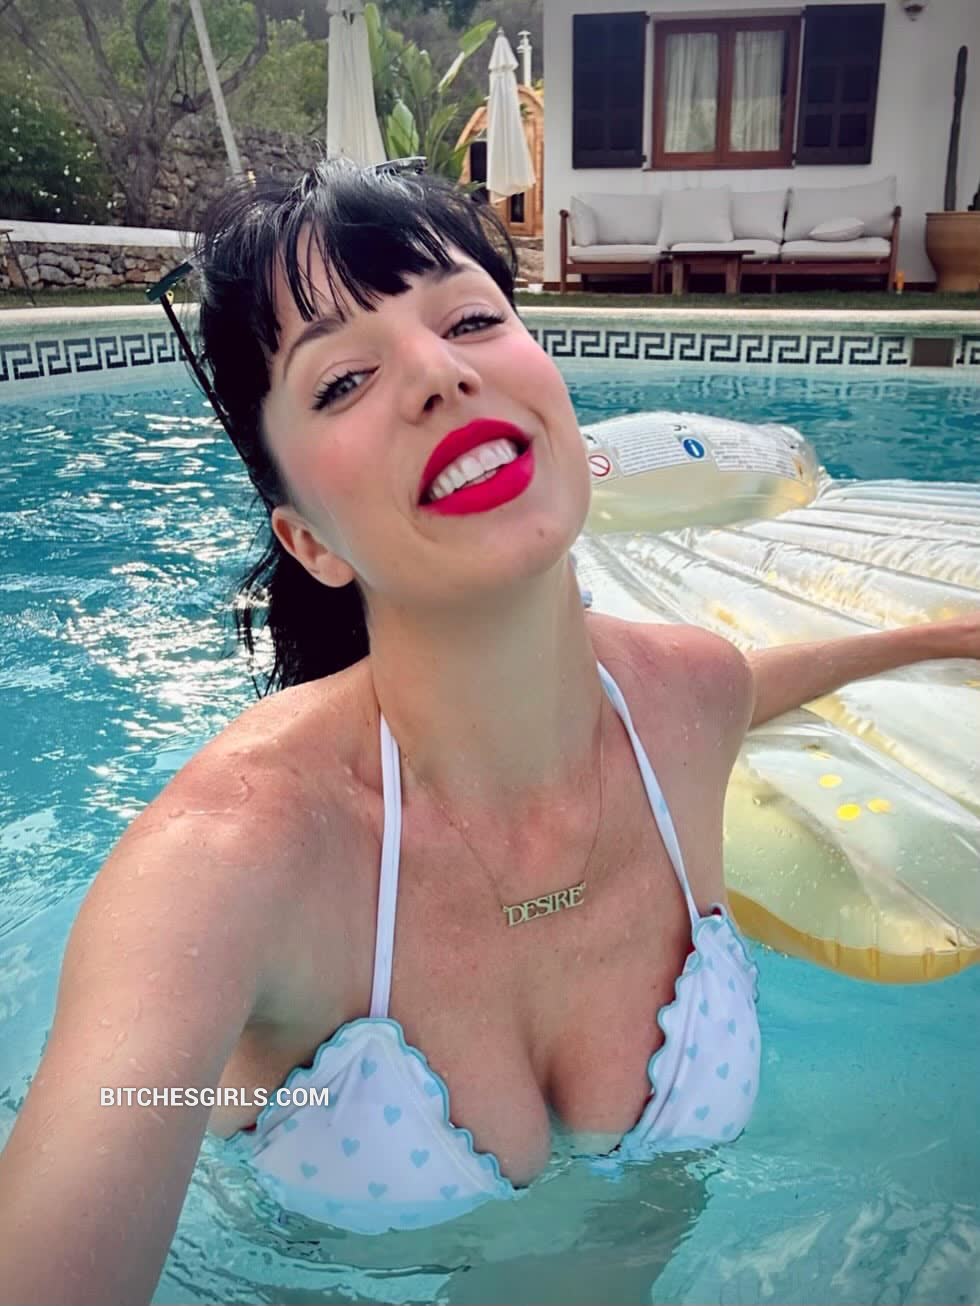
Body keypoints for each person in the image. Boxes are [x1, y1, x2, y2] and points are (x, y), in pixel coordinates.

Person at [0, 159, 977, 1305]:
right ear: (309, 541)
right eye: (344, 378)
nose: (436, 371)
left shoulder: (686, 701)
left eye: (468, 319)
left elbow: (756, 682)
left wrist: (936, 636)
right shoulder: (232, 863)